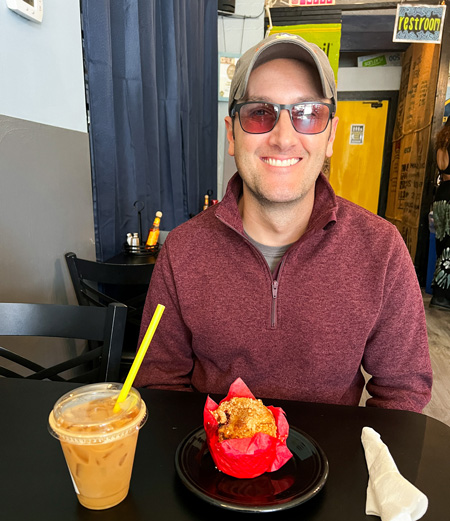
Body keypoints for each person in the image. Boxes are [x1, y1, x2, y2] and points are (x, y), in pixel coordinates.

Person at [136, 33, 432, 412]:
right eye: (260, 112)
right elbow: (159, 384)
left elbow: (403, 391)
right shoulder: (182, 251)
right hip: (209, 463)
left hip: (333, 467)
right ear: (231, 134)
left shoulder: (382, 250)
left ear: (330, 137)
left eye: (308, 114)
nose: (283, 138)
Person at [430, 119, 450, 311]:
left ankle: (439, 293)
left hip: (441, 194)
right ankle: (443, 296)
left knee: (442, 243)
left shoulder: (442, 144)